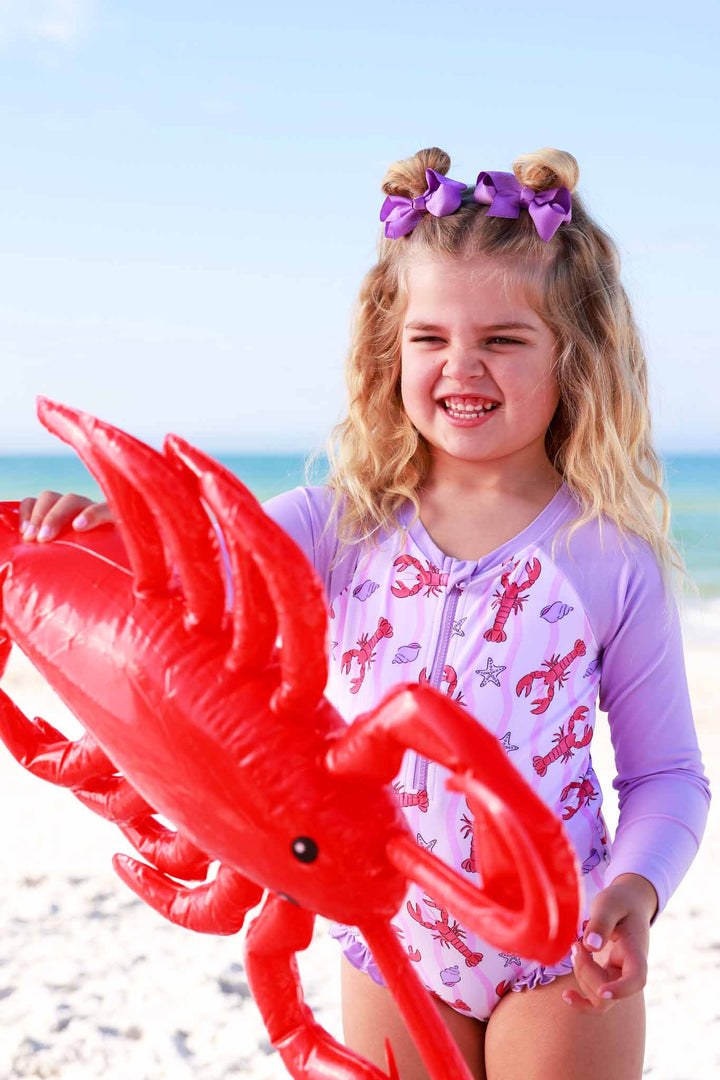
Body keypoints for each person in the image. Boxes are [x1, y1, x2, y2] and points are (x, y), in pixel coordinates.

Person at [18, 146, 711, 1080]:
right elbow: (182, 591)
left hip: (561, 942)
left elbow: (667, 773)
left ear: (573, 353)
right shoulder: (332, 526)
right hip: (388, 936)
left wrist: (634, 891)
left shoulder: (608, 556)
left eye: (503, 339)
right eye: (430, 338)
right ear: (391, 349)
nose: (461, 366)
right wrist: (87, 533)